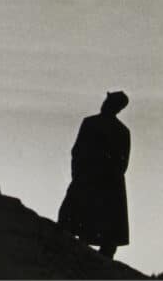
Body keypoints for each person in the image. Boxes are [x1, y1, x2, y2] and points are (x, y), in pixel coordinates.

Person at [57, 91, 131, 259]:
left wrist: (78, 175)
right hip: (104, 185)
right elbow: (122, 163)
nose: (105, 103)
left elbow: (77, 152)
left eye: (109, 100)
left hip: (91, 182)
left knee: (77, 223)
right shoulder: (121, 131)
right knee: (97, 229)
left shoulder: (92, 123)